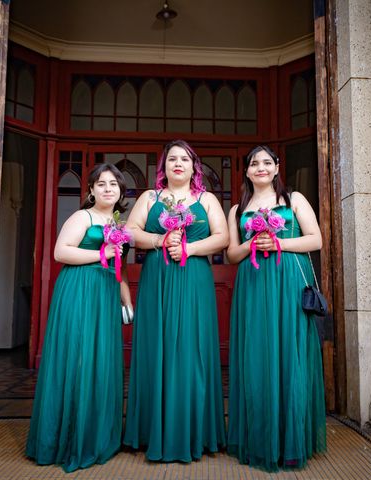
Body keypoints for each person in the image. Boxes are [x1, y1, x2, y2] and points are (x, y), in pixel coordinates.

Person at [123, 139, 228, 462]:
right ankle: (149, 430)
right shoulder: (149, 198)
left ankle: (194, 430)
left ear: (194, 166)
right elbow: (129, 231)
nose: (178, 164)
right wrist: (159, 240)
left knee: (191, 349)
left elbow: (222, 237)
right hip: (157, 277)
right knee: (157, 346)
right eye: (172, 159)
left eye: (184, 159)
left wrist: (188, 249)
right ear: (163, 166)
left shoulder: (207, 199)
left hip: (194, 278)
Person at [26, 163, 132, 472]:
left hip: (104, 293)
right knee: (78, 357)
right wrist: (103, 254)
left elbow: (119, 266)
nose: (107, 188)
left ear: (121, 192)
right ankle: (66, 438)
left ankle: (97, 435)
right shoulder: (82, 217)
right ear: (91, 190)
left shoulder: (116, 223)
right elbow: (62, 252)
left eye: (114, 184)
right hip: (79, 290)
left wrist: (127, 299)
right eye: (101, 184)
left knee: (101, 360)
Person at [226, 145, 327, 471]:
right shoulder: (237, 210)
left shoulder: (294, 200)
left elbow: (316, 240)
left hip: (287, 285)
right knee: (256, 358)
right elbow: (231, 254)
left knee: (289, 357)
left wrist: (279, 242)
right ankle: (258, 439)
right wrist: (251, 244)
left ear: (277, 167)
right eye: (254, 163)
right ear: (246, 170)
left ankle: (291, 442)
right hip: (253, 287)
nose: (260, 168)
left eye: (266, 162)